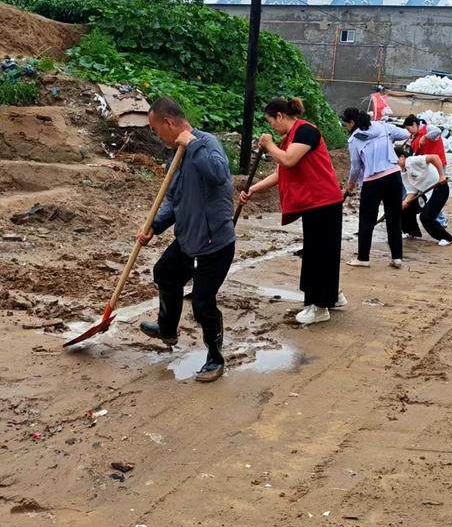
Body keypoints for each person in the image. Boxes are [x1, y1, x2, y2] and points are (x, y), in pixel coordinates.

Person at [136, 97, 235, 383]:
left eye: (156, 129)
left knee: (203, 303)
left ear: (169, 122)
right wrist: (155, 224)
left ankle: (215, 359)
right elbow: (173, 196)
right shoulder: (174, 154)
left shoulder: (207, 143)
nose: (157, 136)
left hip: (214, 243)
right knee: (165, 272)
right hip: (188, 238)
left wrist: (192, 143)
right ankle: (167, 330)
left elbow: (218, 174)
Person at [239, 97, 345, 325]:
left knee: (320, 254)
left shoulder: (306, 131)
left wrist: (268, 144)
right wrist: (252, 189)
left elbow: (288, 160)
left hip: (324, 201)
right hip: (315, 203)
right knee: (320, 252)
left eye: (271, 122)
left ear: (280, 116)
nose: (272, 128)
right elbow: (281, 173)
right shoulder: (290, 138)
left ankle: (319, 306)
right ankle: (331, 294)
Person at [343, 109, 410, 268]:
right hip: (393, 176)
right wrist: (389, 138)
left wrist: (350, 185)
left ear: (352, 123)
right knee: (394, 218)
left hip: (372, 181)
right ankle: (397, 258)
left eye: (346, 123)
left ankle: (363, 258)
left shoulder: (354, 139)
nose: (346, 127)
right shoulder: (383, 127)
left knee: (367, 220)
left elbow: (356, 167)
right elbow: (406, 134)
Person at [402, 116, 449, 227]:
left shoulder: (427, 129)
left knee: (435, 194)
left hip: (437, 166)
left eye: (409, 129)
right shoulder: (414, 137)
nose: (409, 132)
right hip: (426, 169)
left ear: (414, 124)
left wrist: (425, 137)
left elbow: (438, 131)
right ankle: (438, 218)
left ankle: (440, 220)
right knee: (428, 195)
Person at [398, 151, 452, 246]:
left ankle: (446, 238)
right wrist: (405, 202)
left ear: (402, 157)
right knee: (405, 208)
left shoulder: (412, 161)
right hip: (425, 193)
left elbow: (434, 157)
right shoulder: (402, 173)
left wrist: (442, 175)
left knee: (425, 217)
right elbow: (412, 191)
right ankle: (411, 232)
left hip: (439, 189)